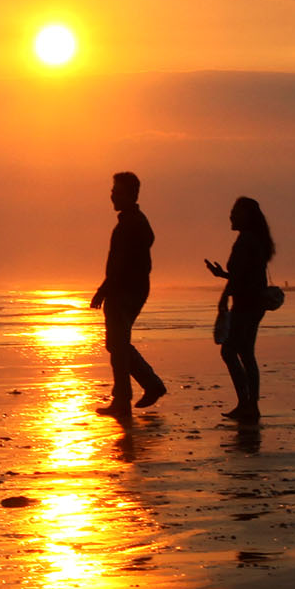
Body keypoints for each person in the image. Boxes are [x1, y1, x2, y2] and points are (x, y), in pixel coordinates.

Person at [90, 171, 167, 417]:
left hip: (125, 289)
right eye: (112, 190)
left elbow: (122, 264)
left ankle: (125, 399)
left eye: (117, 190)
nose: (112, 194)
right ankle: (147, 387)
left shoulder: (133, 223)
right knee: (117, 344)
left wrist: (104, 290)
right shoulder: (134, 221)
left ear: (130, 194)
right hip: (132, 288)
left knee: (118, 344)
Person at [205, 196, 274, 423]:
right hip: (251, 303)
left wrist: (224, 297)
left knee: (230, 351)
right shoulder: (253, 240)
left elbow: (241, 277)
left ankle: (247, 404)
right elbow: (243, 275)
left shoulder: (247, 241)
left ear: (246, 216)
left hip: (247, 304)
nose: (231, 216)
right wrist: (222, 276)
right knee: (245, 353)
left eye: (235, 212)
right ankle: (249, 405)